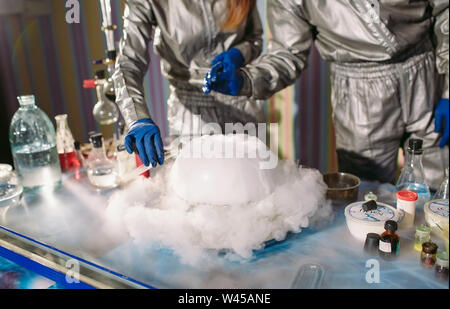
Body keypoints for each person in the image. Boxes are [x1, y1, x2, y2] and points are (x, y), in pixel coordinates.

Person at [206, 0, 449, 190]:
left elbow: (445, 10)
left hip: (428, 74)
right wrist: (246, 80)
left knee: (439, 189)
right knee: (369, 200)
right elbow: (287, 54)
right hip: (359, 94)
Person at [113, 0, 265, 167]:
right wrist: (138, 118)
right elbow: (128, 63)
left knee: (255, 185)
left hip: (243, 106)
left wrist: (239, 53)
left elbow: (254, 37)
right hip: (192, 119)